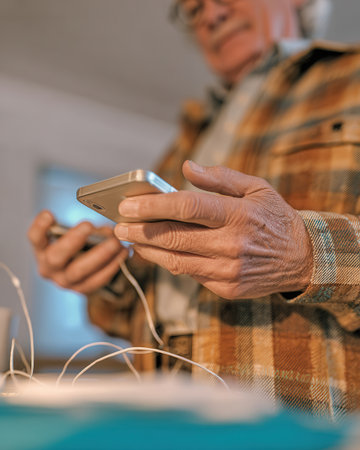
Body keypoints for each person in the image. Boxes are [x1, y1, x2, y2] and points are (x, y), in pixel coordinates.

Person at [28, 0, 360, 417]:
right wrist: (106, 278)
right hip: (163, 416)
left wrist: (308, 254)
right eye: (193, 8)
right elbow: (137, 312)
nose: (210, 15)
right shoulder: (184, 142)